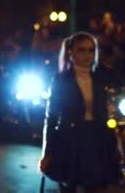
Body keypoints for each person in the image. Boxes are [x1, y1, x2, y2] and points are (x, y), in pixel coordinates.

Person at [39, 32, 119, 193]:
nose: (87, 55)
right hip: (71, 140)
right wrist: (47, 152)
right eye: (81, 50)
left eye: (91, 50)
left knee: (95, 186)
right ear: (71, 53)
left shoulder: (101, 77)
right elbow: (52, 117)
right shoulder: (62, 80)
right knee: (69, 186)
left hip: (96, 138)